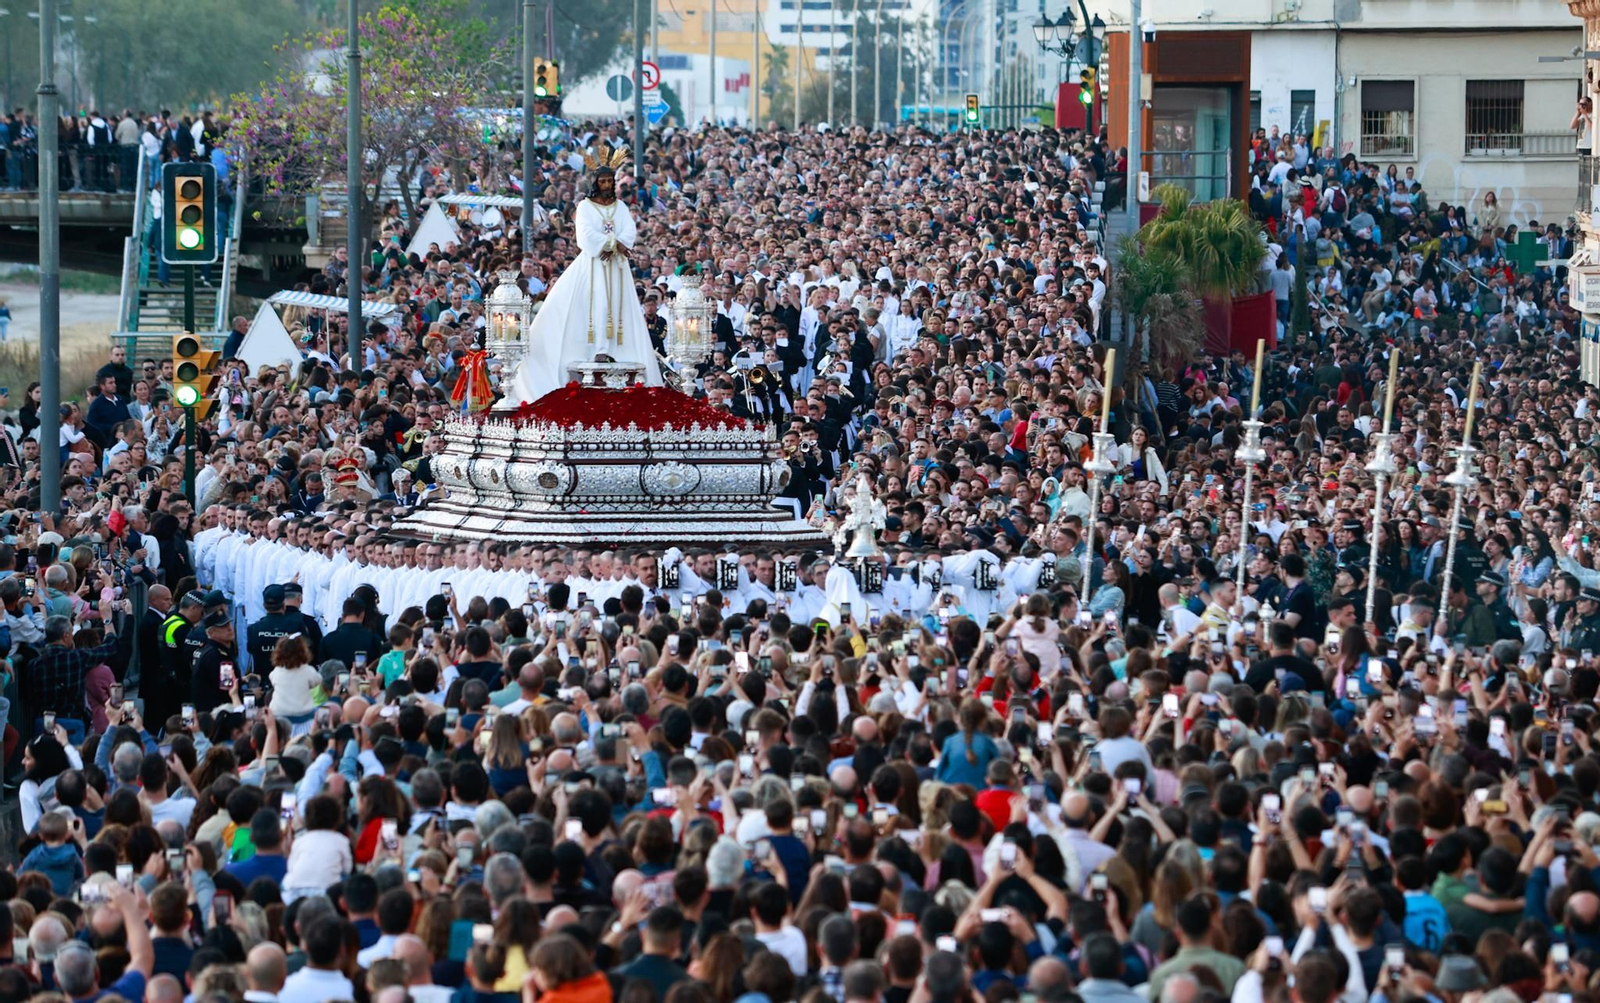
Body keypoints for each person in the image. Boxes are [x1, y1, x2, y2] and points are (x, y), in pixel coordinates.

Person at [508, 149, 664, 404]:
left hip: (617, 268)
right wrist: (610, 245)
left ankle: (615, 349)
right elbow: (585, 235)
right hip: (593, 264)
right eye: (602, 181)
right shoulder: (584, 206)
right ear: (595, 183)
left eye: (610, 181)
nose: (606, 185)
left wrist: (614, 245)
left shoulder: (621, 207)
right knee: (592, 305)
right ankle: (596, 350)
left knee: (618, 308)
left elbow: (629, 231)